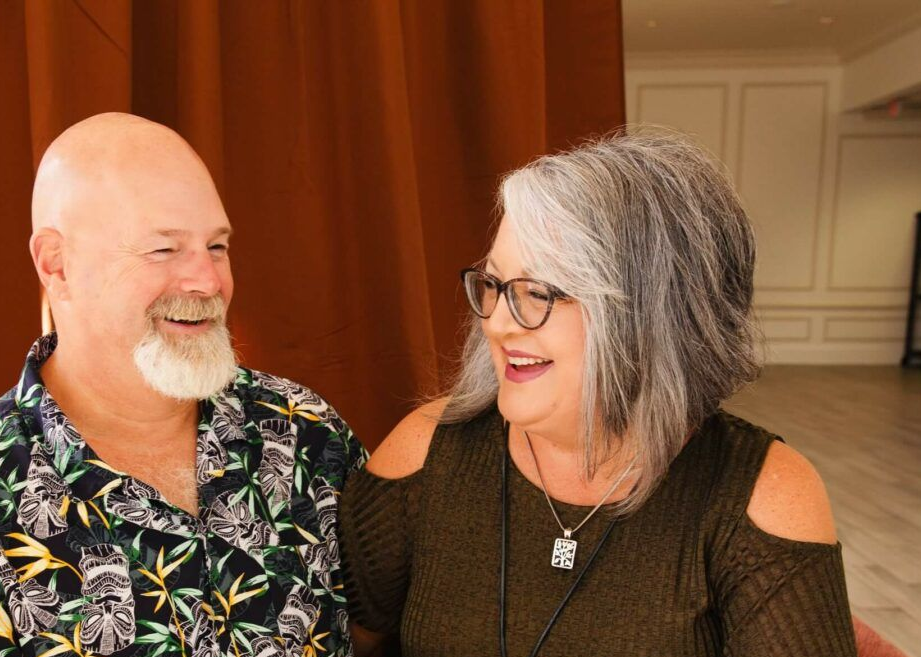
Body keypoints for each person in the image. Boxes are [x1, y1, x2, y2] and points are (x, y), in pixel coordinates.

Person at [340, 131, 859, 657]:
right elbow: (353, 644)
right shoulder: (425, 453)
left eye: (538, 293)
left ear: (654, 317)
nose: (496, 324)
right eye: (495, 285)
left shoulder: (763, 496)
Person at [0, 113, 366, 657]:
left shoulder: (306, 433)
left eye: (218, 246)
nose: (207, 281)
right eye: (163, 249)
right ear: (56, 263)